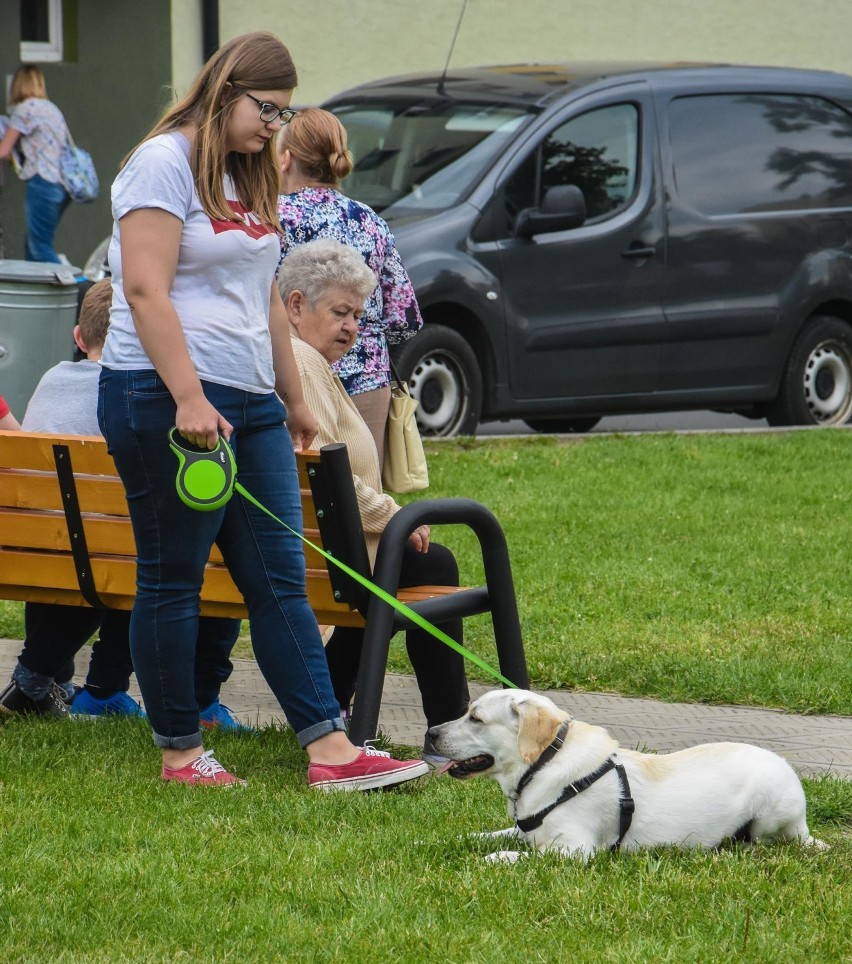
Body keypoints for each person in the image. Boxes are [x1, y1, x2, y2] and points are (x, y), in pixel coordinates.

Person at [97, 32, 427, 789]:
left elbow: (267, 299)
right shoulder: (162, 163)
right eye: (266, 111)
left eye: (284, 116)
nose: (274, 129)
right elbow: (145, 290)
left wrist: (292, 398)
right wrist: (187, 395)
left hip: (250, 402)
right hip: (162, 395)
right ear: (227, 89)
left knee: (279, 574)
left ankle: (330, 750)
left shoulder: (249, 176)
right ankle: (181, 753)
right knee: (174, 574)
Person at [0, 280, 245, 726]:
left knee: (93, 542)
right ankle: (80, 685)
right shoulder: (149, 398)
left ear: (79, 337)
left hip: (37, 550)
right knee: (149, 550)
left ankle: (48, 678)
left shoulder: (52, 379)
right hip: (113, 556)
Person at [280, 239, 469, 765]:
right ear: (297, 305)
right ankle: (448, 731)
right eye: (341, 312)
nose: (351, 327)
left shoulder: (302, 362)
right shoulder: (300, 363)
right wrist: (394, 516)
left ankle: (339, 707)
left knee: (387, 586)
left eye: (358, 315)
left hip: (319, 557)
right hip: (330, 558)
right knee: (432, 563)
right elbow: (322, 469)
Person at [277, 108, 422, 465]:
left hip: (293, 375)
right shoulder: (370, 221)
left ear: (286, 159)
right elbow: (405, 318)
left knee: (302, 490)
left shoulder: (271, 216)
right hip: (367, 381)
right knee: (361, 489)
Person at [0, 65, 71, 262]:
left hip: (43, 183)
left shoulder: (25, 109)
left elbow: (3, 151)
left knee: (39, 248)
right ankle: (38, 291)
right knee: (33, 247)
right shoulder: (51, 109)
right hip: (62, 186)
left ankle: (74, 289)